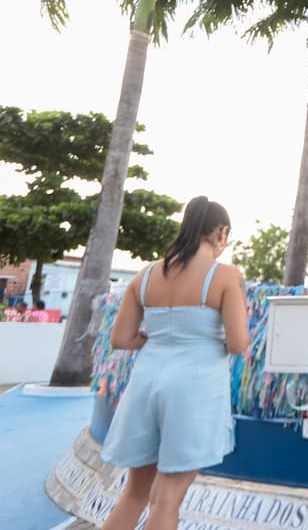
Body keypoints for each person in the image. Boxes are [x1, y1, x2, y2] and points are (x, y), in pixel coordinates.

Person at [100, 196, 250, 530]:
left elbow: (121, 339)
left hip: (146, 382)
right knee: (167, 499)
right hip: (193, 388)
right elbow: (239, 343)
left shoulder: (146, 275)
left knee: (134, 495)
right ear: (221, 233)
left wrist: (157, 339)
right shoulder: (225, 276)